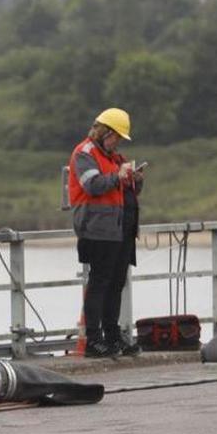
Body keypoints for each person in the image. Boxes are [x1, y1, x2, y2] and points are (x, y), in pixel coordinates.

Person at [67, 108, 143, 358]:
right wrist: (117, 176)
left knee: (116, 283)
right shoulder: (85, 153)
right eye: (115, 137)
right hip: (97, 228)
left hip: (119, 228)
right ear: (104, 132)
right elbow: (92, 185)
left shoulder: (114, 157)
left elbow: (119, 188)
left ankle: (113, 336)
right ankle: (93, 339)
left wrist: (134, 179)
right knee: (100, 283)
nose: (117, 142)